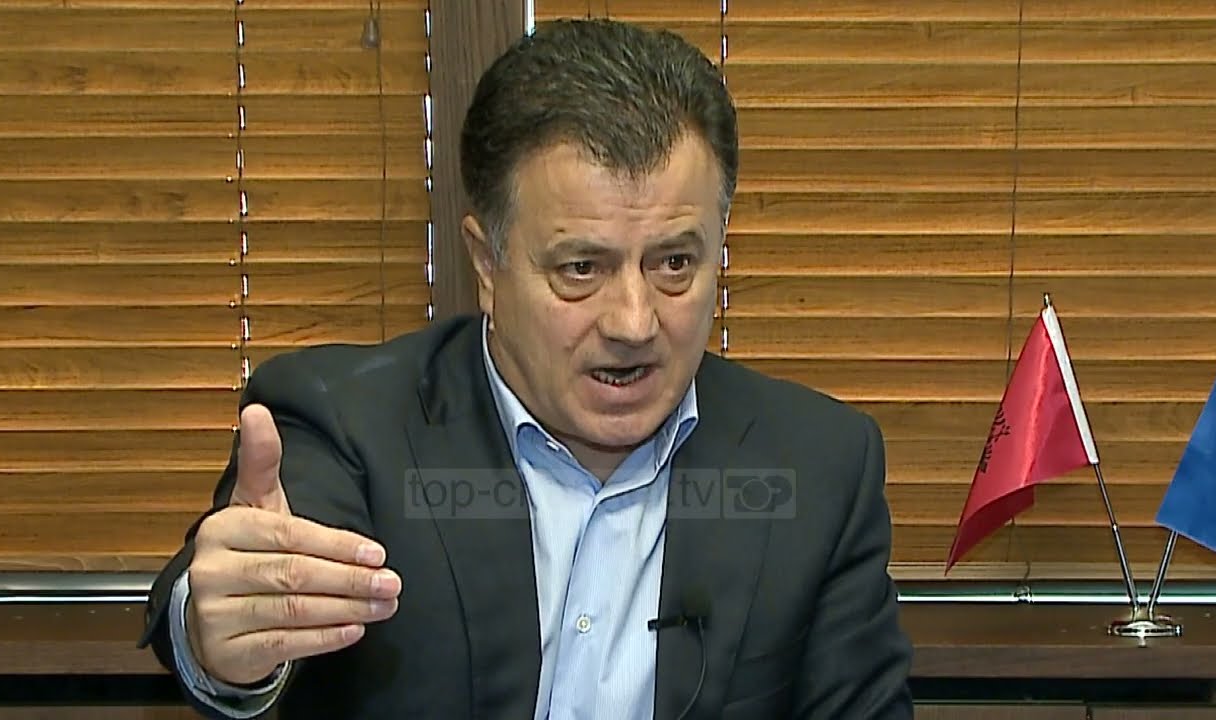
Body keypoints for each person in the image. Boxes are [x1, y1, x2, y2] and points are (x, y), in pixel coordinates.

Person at [139, 17, 913, 719]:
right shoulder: (349, 425)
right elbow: (244, 582)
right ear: (488, 264)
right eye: (581, 268)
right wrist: (221, 641)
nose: (635, 322)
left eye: (675, 262)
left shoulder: (819, 466)